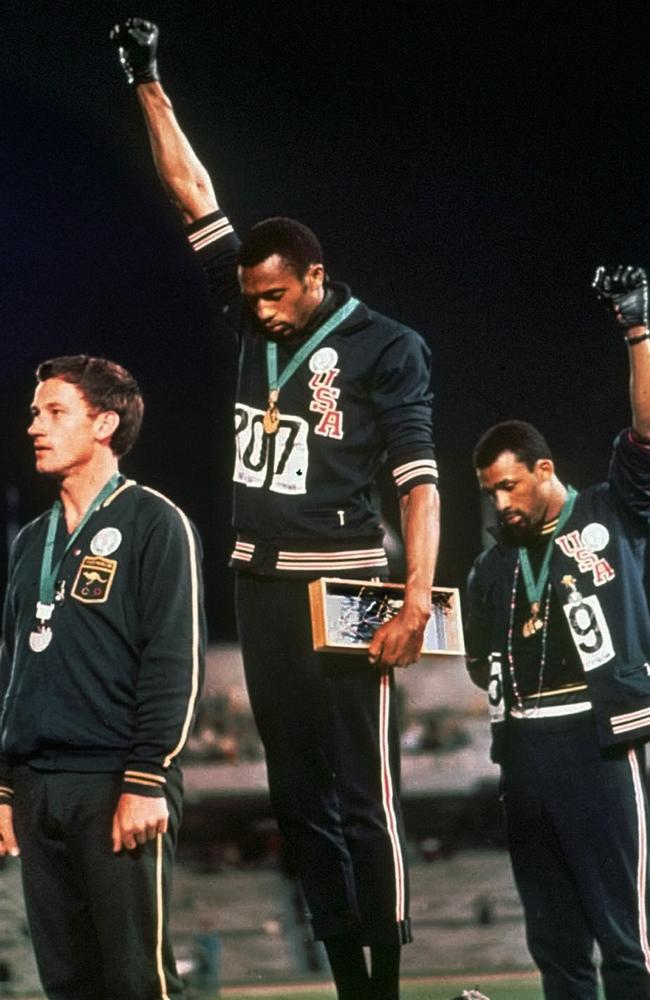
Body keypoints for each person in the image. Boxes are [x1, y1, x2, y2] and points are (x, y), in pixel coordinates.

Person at [110, 18, 439, 1000]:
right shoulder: (250, 307)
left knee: (362, 792)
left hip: (355, 583)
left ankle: (381, 981)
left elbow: (418, 481)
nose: (254, 311)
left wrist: (414, 597)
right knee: (297, 798)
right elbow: (193, 196)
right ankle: (343, 977)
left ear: (313, 278)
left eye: (270, 296)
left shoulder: (388, 347)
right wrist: (148, 81)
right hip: (259, 580)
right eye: (245, 297)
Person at [465, 265, 650, 1000]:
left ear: (546, 469)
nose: (502, 503)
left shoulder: (611, 511)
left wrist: (638, 327)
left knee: (627, 938)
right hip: (523, 753)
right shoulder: (489, 568)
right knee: (556, 945)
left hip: (600, 740)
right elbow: (481, 666)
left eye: (511, 485)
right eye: (490, 492)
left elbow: (645, 434)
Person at [0, 355, 206, 1000]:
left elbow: (175, 662)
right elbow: (13, 669)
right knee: (67, 982)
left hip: (117, 780)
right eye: (36, 412)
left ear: (105, 424)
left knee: (135, 980)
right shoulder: (29, 541)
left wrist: (147, 777)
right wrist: (6, 786)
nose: (35, 425)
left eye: (55, 412)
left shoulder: (156, 523)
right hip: (37, 787)